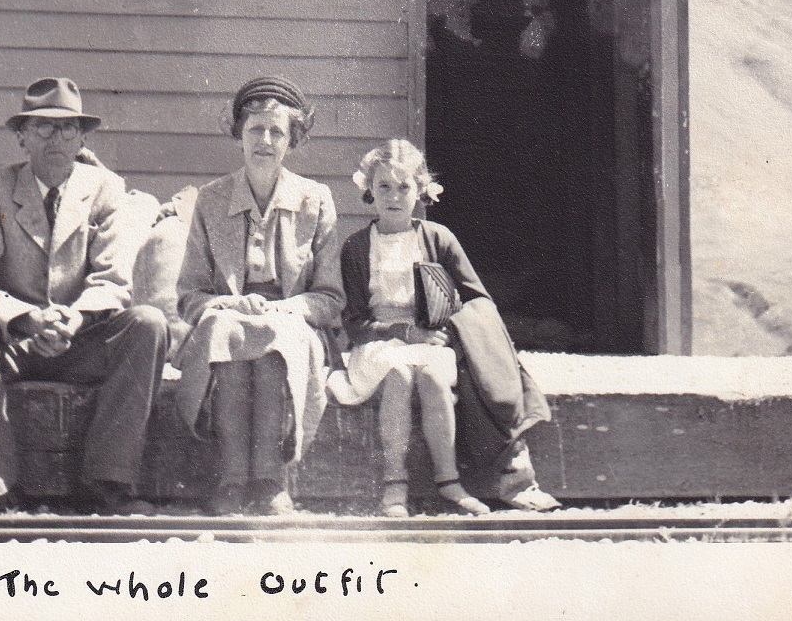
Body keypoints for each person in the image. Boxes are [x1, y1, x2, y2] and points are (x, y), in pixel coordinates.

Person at [0, 77, 167, 516]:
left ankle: (109, 482)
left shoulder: (106, 188)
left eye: (66, 128)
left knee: (148, 325)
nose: (55, 138)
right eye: (41, 127)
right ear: (21, 137)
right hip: (14, 343)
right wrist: (26, 319)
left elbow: (113, 280)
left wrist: (74, 319)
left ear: (82, 136)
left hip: (83, 340)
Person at [328, 139, 560, 517]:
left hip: (431, 339)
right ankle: (394, 484)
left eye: (404, 187)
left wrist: (449, 329)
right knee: (400, 374)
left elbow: (477, 300)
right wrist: (402, 334)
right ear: (368, 190)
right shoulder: (356, 247)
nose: (394, 196)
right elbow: (354, 322)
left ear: (420, 190)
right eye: (384, 186)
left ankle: (449, 481)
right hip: (378, 344)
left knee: (435, 376)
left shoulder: (438, 238)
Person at [175, 77, 344, 516]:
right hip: (228, 315)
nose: (264, 141)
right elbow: (189, 294)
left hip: (293, 318)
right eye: (255, 130)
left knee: (274, 339)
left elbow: (329, 297)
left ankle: (270, 478)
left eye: (276, 132)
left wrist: (286, 307)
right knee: (226, 333)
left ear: (292, 140)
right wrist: (230, 303)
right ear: (239, 135)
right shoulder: (211, 201)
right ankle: (232, 476)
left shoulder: (316, 201)